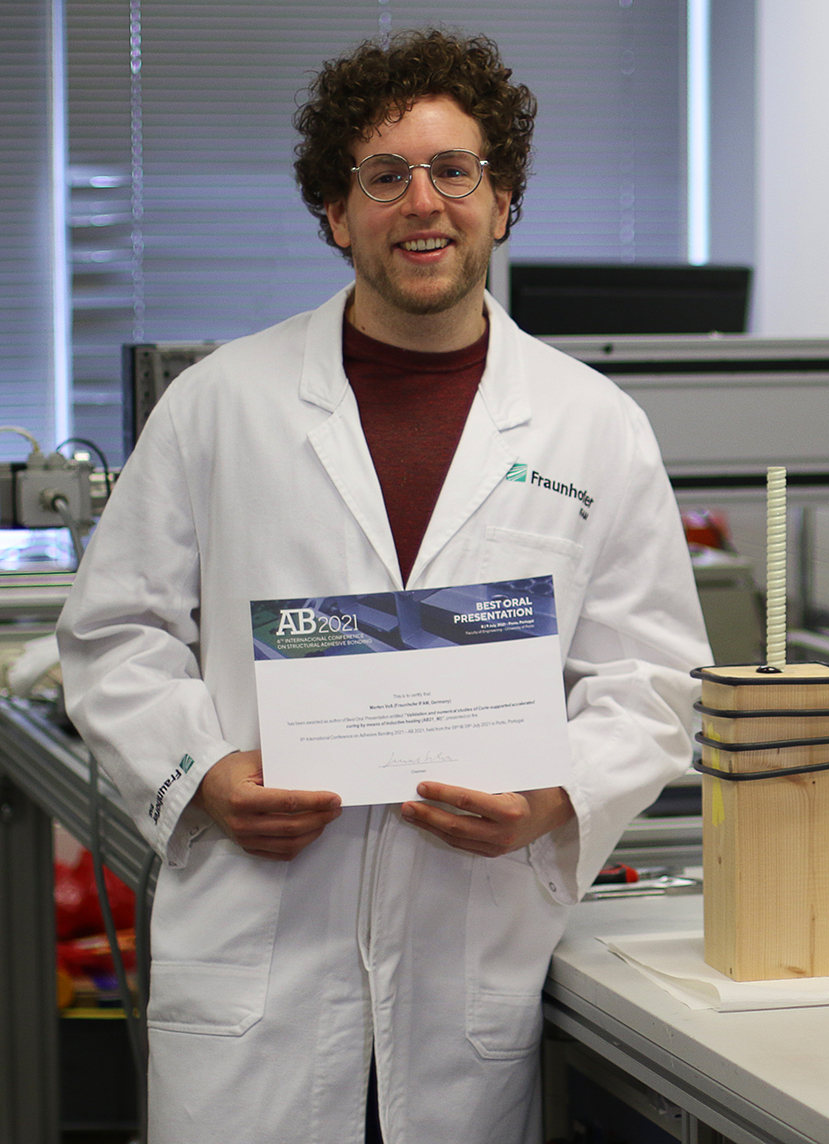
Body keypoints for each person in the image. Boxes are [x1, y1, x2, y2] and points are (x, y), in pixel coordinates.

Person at [56, 29, 708, 1144]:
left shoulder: (591, 424)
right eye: (385, 175)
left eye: (455, 170)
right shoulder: (221, 403)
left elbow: (651, 677)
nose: (424, 202)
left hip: (469, 965)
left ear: (502, 202)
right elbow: (116, 633)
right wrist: (204, 774)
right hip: (259, 962)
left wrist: (552, 797)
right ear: (334, 211)